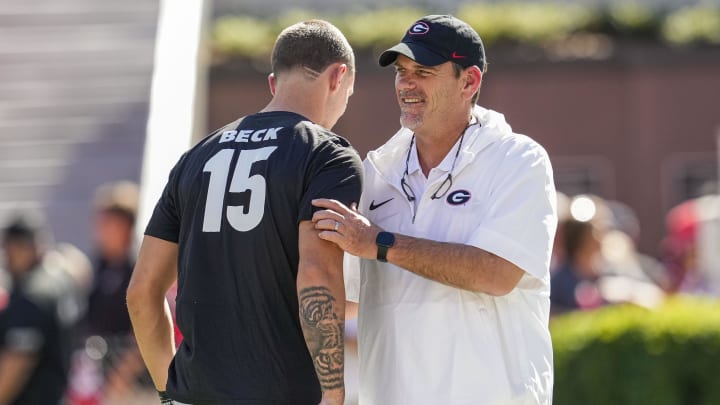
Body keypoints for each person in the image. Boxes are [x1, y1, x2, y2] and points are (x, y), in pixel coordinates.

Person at [312, 15, 557, 405]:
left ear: (470, 81)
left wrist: (378, 242)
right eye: (401, 72)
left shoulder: (518, 159)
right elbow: (349, 297)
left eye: (423, 71)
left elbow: (497, 274)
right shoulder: (377, 170)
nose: (406, 83)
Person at [127, 19, 363, 405]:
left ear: (274, 83)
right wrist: (334, 394)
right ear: (339, 77)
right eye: (349, 94)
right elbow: (317, 275)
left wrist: (168, 393)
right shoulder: (327, 155)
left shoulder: (196, 157)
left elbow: (141, 292)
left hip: (193, 395)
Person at [0, 213, 77, 404]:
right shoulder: (60, 280)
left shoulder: (32, 294)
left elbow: (18, 360)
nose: (7, 258)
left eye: (9, 249)